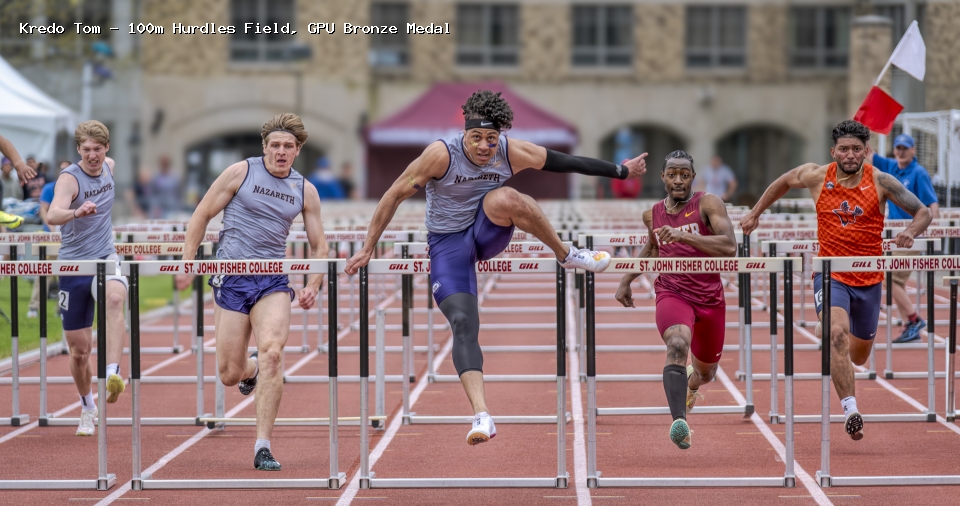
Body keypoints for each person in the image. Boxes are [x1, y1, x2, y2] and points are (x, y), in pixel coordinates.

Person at [345, 90, 647, 445]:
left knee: (508, 197)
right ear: (465, 134)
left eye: (491, 139)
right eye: (476, 138)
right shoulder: (440, 155)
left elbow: (565, 161)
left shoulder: (510, 151)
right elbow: (394, 193)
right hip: (448, 242)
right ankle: (482, 415)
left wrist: (621, 171)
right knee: (463, 322)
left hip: (487, 230)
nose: (485, 147)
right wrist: (368, 247)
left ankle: (566, 254)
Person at [741, 120, 932, 441]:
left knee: (858, 356)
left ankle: (827, 327)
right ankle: (850, 409)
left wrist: (910, 231)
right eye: (844, 149)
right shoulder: (818, 176)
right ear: (834, 152)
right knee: (837, 336)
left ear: (866, 151)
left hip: (869, 280)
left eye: (856, 149)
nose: (850, 155)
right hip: (830, 275)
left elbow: (923, 212)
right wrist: (755, 212)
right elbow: (784, 181)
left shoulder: (881, 180)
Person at [175, 113, 330, 471]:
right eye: (275, 145)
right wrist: (187, 262)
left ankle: (263, 446)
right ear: (265, 147)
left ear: (297, 150)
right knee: (230, 374)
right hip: (232, 276)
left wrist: (313, 284)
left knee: (274, 353)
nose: (281, 151)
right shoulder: (240, 172)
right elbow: (202, 214)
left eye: (288, 146)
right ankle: (251, 369)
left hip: (272, 279)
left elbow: (319, 245)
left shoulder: (304, 189)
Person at [614, 150, 736, 450]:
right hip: (673, 291)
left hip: (709, 298)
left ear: (693, 177)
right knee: (678, 344)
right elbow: (652, 249)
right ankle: (679, 422)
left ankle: (692, 384)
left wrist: (683, 236)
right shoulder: (653, 214)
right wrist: (626, 280)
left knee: (707, 372)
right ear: (663, 177)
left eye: (684, 174)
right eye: (672, 175)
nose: (678, 180)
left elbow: (729, 246)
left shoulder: (709, 203)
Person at [46, 120, 131, 437]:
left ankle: (112, 372)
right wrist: (76, 212)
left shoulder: (110, 166)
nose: (93, 156)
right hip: (73, 265)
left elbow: (108, 167)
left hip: (106, 256)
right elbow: (52, 214)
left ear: (107, 148)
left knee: (115, 298)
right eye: (86, 150)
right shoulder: (69, 179)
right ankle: (87, 406)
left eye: (97, 149)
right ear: (78, 150)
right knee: (79, 351)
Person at [865, 134, 939, 343]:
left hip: (911, 234)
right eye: (898, 148)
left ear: (913, 150)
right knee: (894, 280)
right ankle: (910, 325)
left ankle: (914, 319)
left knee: (887, 276)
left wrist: (932, 231)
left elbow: (932, 205)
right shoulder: (890, 166)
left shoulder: (919, 173)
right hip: (894, 235)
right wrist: (861, 129)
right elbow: (869, 153)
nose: (901, 151)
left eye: (905, 148)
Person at [27, 165, 60, 318]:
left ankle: (62, 309)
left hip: (69, 239)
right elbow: (43, 210)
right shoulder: (49, 188)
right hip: (51, 237)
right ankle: (34, 307)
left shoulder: (77, 188)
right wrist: (53, 230)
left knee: (68, 274)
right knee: (44, 272)